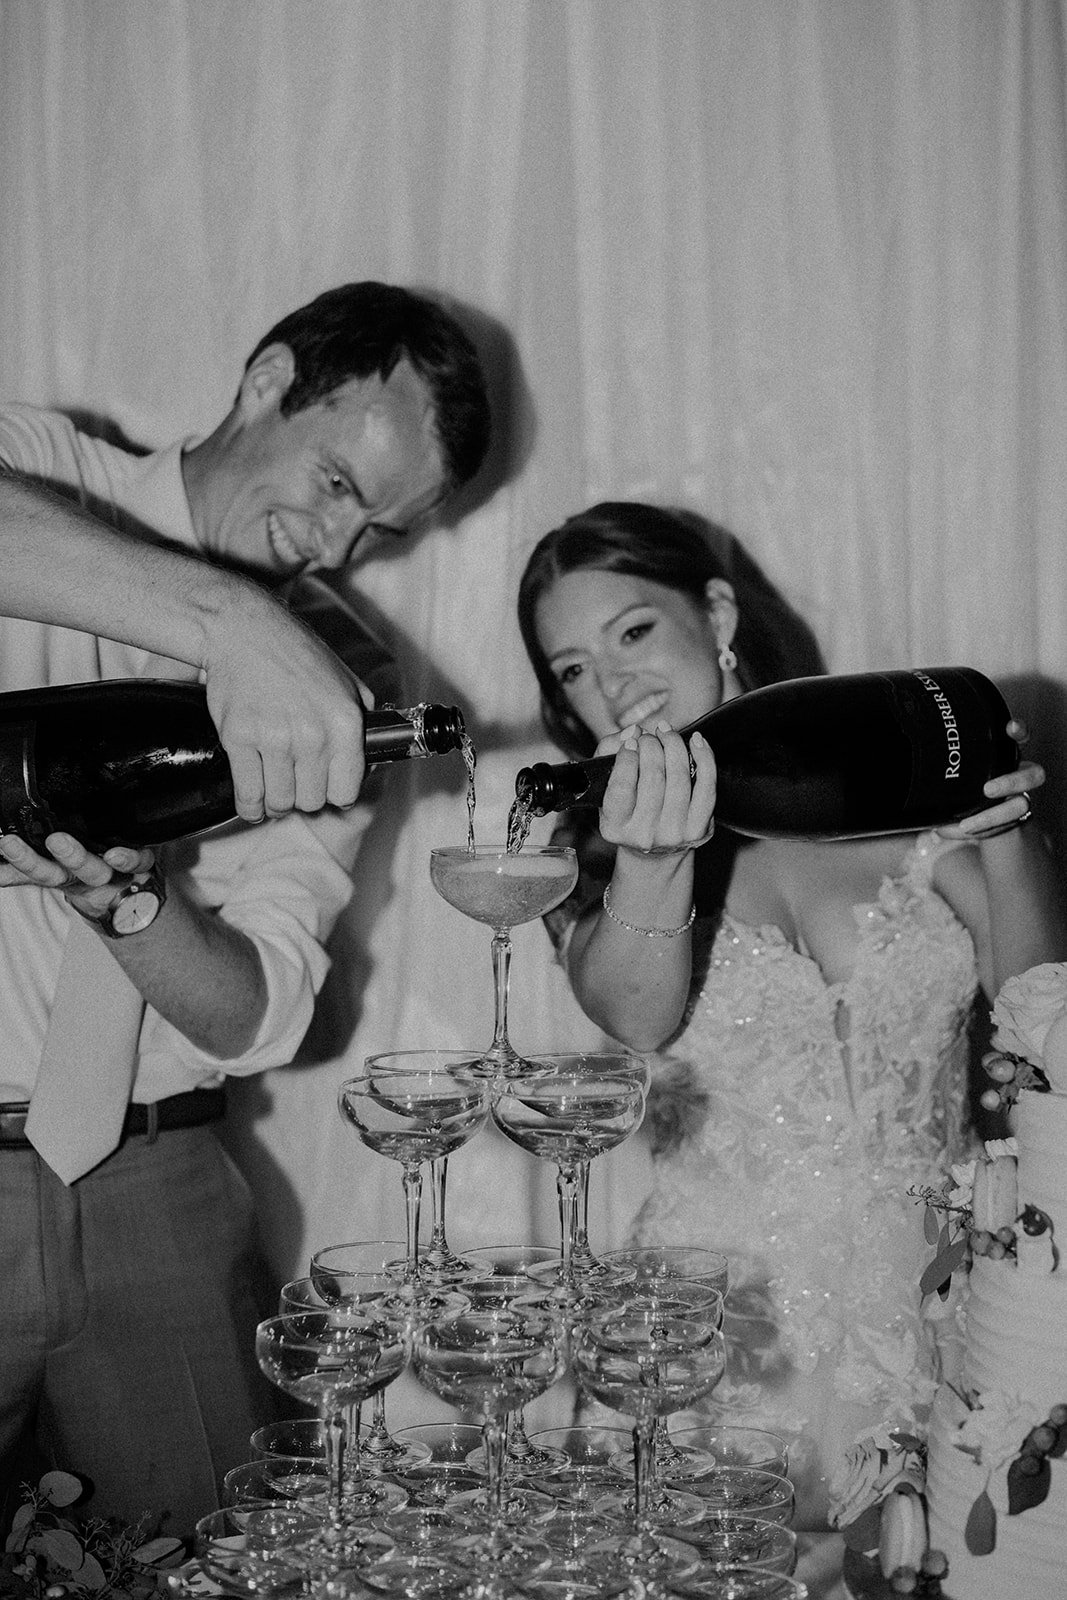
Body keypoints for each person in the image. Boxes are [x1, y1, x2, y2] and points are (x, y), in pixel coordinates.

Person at [0, 282, 491, 1531]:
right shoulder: (44, 471)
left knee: (217, 1559)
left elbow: (257, 1012)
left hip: (158, 1188)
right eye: (336, 483)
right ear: (268, 379)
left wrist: (136, 909)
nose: (333, 548)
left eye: (376, 529)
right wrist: (228, 624)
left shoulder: (345, 682)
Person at [517, 501, 1067, 1538]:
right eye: (574, 669)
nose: (613, 683)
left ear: (718, 615)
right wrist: (650, 856)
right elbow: (635, 1015)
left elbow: (1045, 1015)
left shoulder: (895, 792)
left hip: (936, 1320)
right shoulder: (584, 855)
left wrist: (1005, 828)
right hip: (710, 1341)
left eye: (633, 631)